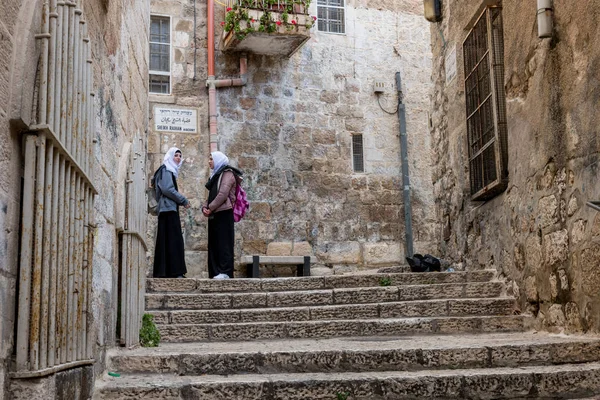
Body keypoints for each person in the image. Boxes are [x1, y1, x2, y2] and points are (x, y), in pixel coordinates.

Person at [202, 151, 242, 279]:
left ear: (218, 160)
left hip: (224, 213)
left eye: (211, 159)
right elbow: (210, 195)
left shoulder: (227, 173)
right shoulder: (216, 175)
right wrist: (205, 207)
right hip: (215, 213)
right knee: (214, 243)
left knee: (224, 243)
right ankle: (215, 272)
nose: (209, 161)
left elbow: (222, 194)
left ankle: (225, 272)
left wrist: (210, 207)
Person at [153, 147, 190, 278]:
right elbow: (167, 189)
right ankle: (175, 272)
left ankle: (165, 272)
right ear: (170, 156)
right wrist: (183, 200)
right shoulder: (166, 169)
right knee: (174, 240)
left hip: (167, 209)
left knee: (167, 240)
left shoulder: (168, 170)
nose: (178, 158)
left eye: (180, 156)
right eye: (176, 155)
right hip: (168, 209)